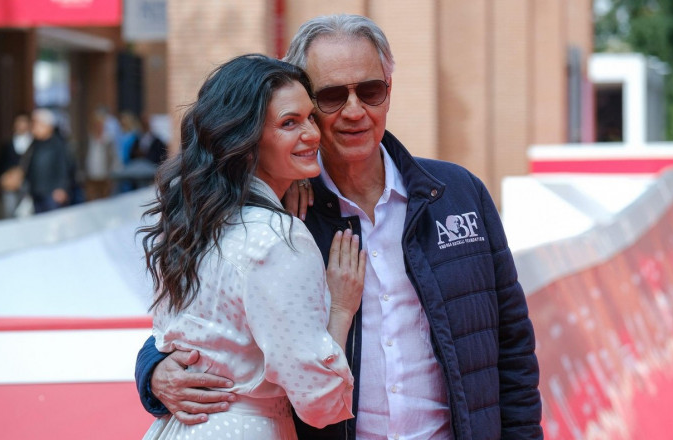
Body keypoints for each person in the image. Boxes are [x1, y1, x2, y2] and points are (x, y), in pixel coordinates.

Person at [135, 14, 543, 440]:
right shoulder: (284, 223)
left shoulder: (459, 193)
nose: (354, 111)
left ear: (389, 90)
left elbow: (512, 342)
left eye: (369, 91)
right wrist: (153, 370)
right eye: (331, 96)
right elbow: (204, 325)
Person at [138, 53, 367, 439]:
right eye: (289, 123)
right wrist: (341, 308)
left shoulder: (193, 222)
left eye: (310, 117)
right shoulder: (276, 237)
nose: (312, 133)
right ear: (245, 140)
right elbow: (320, 400)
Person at [26, 108, 71, 214]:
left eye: (37, 124)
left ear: (47, 126)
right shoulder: (34, 144)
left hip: (52, 193)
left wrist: (61, 187)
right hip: (36, 191)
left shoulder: (58, 144)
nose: (34, 128)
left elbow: (64, 167)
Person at [0, 112, 33, 218]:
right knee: (10, 212)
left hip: (27, 183)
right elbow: (1, 163)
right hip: (10, 184)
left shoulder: (34, 144)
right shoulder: (7, 144)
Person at [83, 110, 119, 201]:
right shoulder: (89, 138)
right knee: (91, 200)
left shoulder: (108, 140)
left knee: (104, 201)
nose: (98, 127)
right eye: (96, 124)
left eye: (100, 125)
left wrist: (112, 175)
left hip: (105, 176)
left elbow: (113, 157)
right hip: (91, 176)